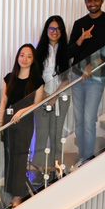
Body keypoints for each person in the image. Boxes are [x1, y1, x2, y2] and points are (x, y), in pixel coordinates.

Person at [65, 0, 105, 168]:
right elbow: (69, 52)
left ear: (102, 0)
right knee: (79, 119)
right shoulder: (79, 24)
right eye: (89, 0)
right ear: (85, 1)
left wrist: (92, 66)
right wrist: (81, 39)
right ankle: (83, 155)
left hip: (96, 78)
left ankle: (88, 159)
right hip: (77, 76)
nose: (93, 3)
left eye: (96, 0)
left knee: (89, 118)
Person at [0, 44, 46, 204]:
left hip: (25, 121)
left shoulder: (37, 80)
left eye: (29, 56)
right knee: (9, 155)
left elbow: (38, 103)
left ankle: (18, 194)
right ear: (17, 57)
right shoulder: (9, 77)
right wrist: (0, 122)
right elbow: (4, 100)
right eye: (22, 55)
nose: (24, 59)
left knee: (20, 156)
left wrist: (22, 111)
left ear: (33, 60)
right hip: (8, 120)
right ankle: (9, 190)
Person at [33, 15, 72, 177]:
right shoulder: (38, 51)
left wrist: (55, 97)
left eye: (57, 29)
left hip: (61, 97)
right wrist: (46, 96)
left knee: (56, 133)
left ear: (61, 31)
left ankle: (57, 167)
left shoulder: (66, 50)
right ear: (46, 30)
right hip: (41, 98)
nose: (54, 32)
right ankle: (38, 169)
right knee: (41, 134)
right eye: (51, 28)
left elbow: (67, 77)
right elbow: (35, 77)